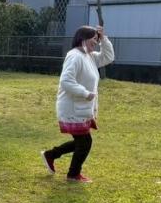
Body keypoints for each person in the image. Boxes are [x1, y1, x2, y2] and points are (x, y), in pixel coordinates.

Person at [42, 25, 115, 183]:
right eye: (93, 39)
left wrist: (104, 39)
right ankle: (73, 174)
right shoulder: (75, 56)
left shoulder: (90, 56)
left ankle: (51, 155)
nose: (95, 42)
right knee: (85, 142)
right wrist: (85, 93)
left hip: (82, 107)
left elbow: (108, 57)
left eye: (97, 40)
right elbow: (66, 81)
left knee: (81, 141)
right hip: (72, 106)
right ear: (82, 38)